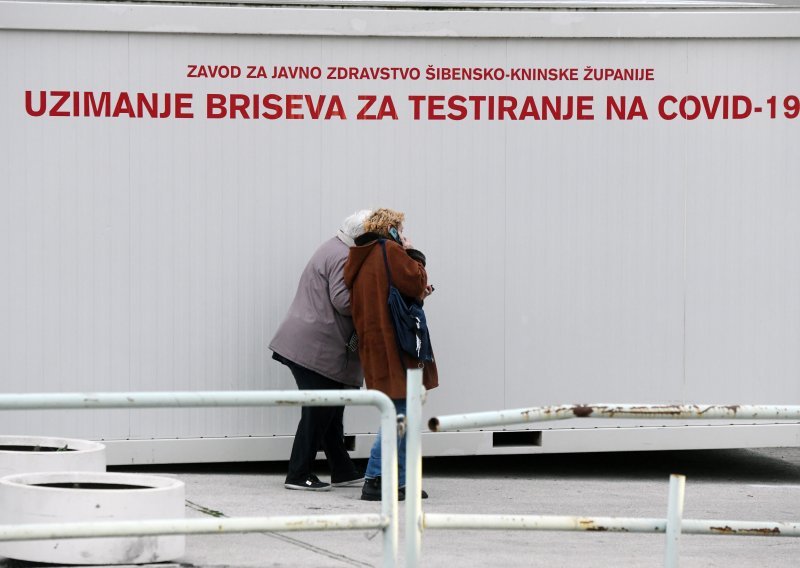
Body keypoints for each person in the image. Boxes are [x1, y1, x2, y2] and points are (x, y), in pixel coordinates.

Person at [269, 210, 371, 491]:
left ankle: (342, 469)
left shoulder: (334, 247)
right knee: (320, 410)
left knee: (331, 409)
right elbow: (342, 301)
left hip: (311, 343)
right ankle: (298, 473)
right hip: (313, 346)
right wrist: (375, 299)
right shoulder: (343, 255)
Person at [343, 208, 438, 501]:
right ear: (392, 229)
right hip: (395, 345)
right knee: (399, 414)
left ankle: (401, 481)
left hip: (375, 345)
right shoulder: (390, 251)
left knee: (402, 414)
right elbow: (416, 282)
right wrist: (412, 253)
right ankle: (374, 478)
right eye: (400, 229)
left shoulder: (360, 258)